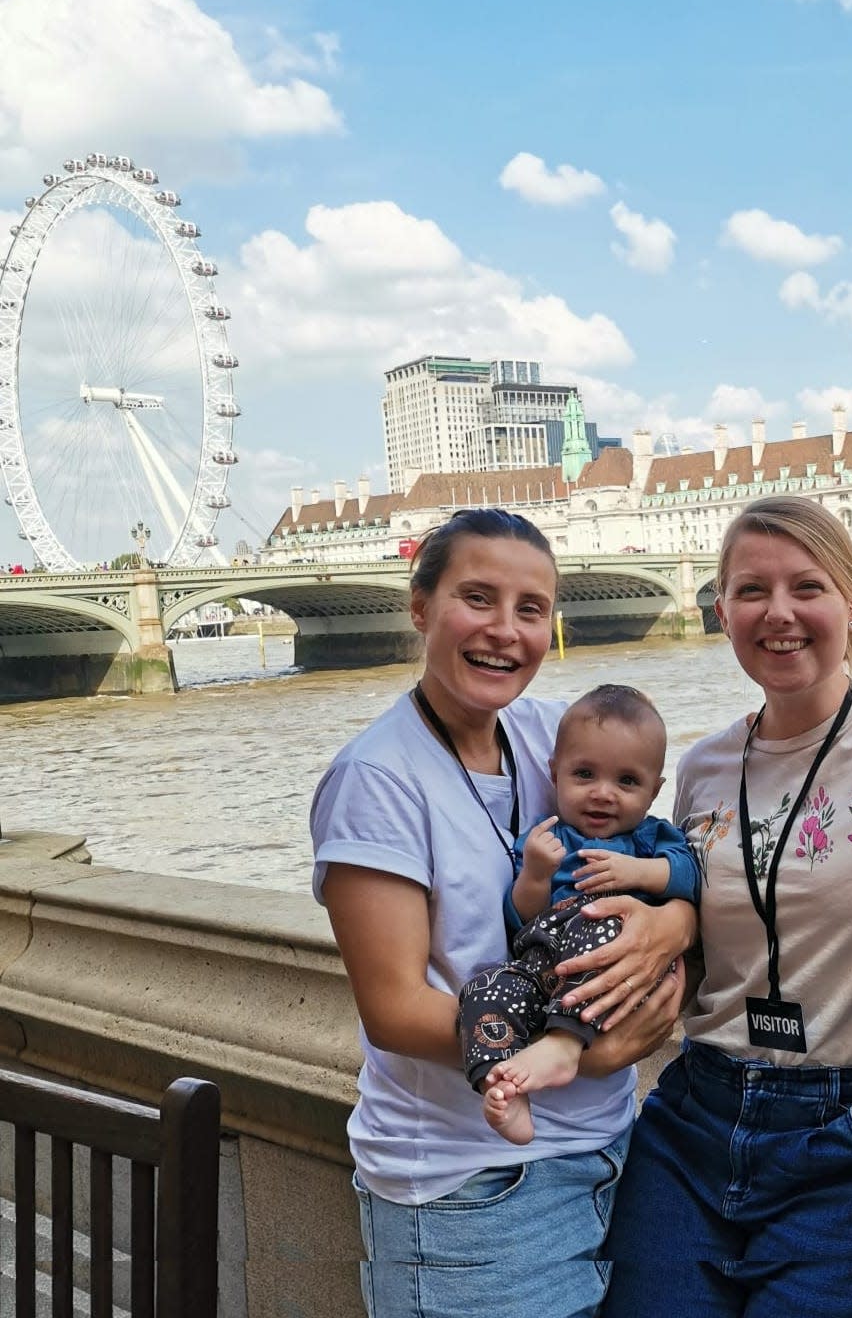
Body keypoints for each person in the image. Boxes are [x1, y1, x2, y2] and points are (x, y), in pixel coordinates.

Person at [310, 507, 696, 1318]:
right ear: (419, 607)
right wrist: (578, 1055)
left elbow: (658, 854)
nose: (505, 631)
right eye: (476, 598)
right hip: (472, 1191)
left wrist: (673, 924)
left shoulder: (548, 733)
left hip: (605, 1155)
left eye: (531, 608)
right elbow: (395, 1009)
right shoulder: (376, 779)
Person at [602, 494, 852, 1318]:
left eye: (808, 587)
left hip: (844, 1135)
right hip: (696, 1114)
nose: (780, 613)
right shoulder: (703, 766)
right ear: (720, 610)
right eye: (752, 591)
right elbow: (706, 923)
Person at [459, 683, 700, 1145]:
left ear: (654, 790)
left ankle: (564, 1047)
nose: (602, 794)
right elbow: (519, 918)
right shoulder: (546, 838)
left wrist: (639, 872)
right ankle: (505, 1086)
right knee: (484, 987)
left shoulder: (650, 839)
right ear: (554, 773)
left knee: (601, 920)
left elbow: (690, 877)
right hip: (546, 966)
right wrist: (533, 874)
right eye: (584, 774)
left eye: (627, 782)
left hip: (608, 968)